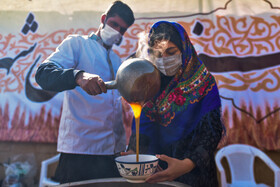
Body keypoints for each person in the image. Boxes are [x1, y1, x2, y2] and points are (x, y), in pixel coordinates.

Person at [35, 1, 134, 184]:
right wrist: (78, 77)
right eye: (114, 24)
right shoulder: (77, 44)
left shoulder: (117, 59)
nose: (117, 32)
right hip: (80, 151)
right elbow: (43, 74)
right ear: (103, 19)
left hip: (111, 152)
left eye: (122, 29)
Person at [125, 21, 225, 186]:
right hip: (155, 174)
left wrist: (186, 164)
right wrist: (134, 152)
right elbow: (144, 126)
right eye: (158, 54)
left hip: (195, 173)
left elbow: (212, 132)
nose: (164, 59)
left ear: (184, 49)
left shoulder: (204, 82)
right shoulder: (151, 83)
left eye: (171, 52)